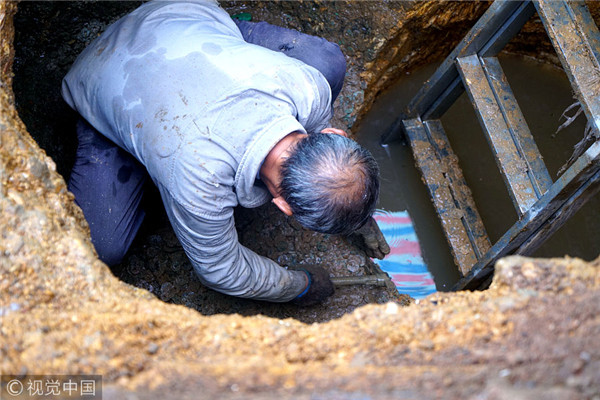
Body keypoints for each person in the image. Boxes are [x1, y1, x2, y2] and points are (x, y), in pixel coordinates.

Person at [62, 0, 389, 306]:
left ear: (334, 135)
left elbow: (334, 172)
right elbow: (221, 272)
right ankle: (127, 146)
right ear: (283, 206)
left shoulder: (306, 86)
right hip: (104, 73)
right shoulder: (200, 178)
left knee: (326, 63)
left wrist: (355, 213)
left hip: (177, 22)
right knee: (101, 243)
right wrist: (300, 285)